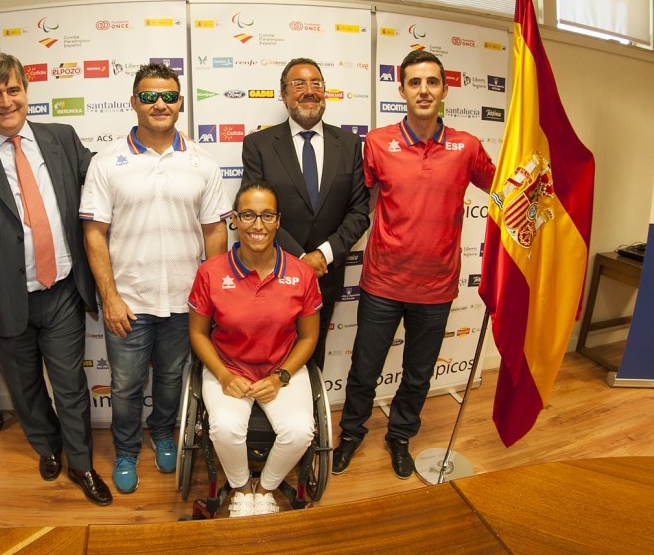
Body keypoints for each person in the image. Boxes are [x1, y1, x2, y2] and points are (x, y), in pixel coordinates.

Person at [0, 53, 111, 506]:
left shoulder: (61, 137)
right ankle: (46, 446)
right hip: (0, 300)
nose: (5, 100)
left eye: (13, 89)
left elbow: (104, 180)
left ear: (26, 92)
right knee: (25, 387)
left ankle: (81, 464)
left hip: (62, 294)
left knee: (70, 384)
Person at [332, 50, 496, 479]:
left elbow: (503, 189)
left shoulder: (467, 147)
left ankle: (400, 436)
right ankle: (350, 433)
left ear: (444, 89)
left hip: (436, 290)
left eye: (432, 82)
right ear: (401, 89)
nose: (424, 90)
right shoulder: (377, 142)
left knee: (418, 375)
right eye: (415, 82)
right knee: (364, 370)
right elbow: (354, 203)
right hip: (382, 284)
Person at [80, 62, 231, 494]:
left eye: (168, 95)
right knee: (125, 385)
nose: (159, 103)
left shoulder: (202, 161)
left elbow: (214, 231)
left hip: (185, 303)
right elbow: (94, 233)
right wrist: (109, 297)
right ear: (133, 103)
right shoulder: (107, 162)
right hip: (128, 301)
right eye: (148, 96)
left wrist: (210, 296)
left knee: (170, 378)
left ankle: (163, 433)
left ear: (180, 102)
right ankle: (126, 450)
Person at [188, 181, 321, 517]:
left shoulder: (302, 273)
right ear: (234, 219)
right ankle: (242, 489)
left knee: (300, 431)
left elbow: (307, 338)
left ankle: (266, 490)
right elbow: (198, 334)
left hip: (280, 368)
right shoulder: (211, 272)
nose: (257, 225)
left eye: (266, 216)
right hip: (229, 367)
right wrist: (222, 375)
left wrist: (280, 377)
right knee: (224, 427)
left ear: (278, 221)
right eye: (248, 215)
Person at [241, 57, 369, 370]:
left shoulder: (350, 144)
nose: (309, 91)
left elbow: (359, 211)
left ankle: (310, 415)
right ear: (283, 95)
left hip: (325, 275)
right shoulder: (258, 144)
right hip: (272, 272)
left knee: (313, 354)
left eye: (316, 84)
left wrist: (322, 257)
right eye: (298, 84)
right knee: (268, 353)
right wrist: (299, 258)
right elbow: (253, 211)